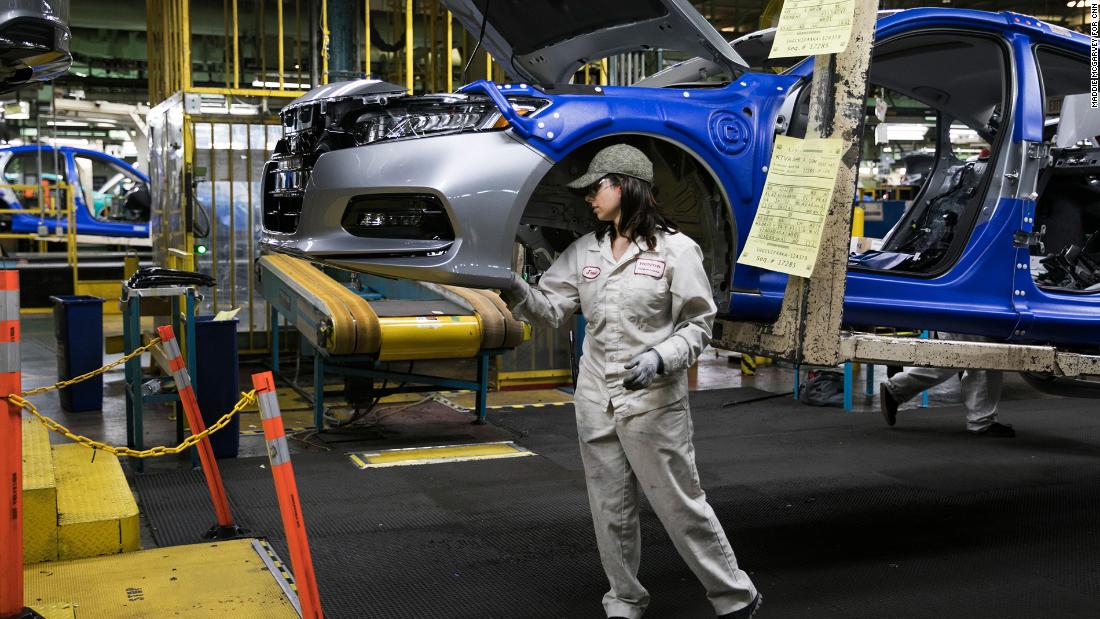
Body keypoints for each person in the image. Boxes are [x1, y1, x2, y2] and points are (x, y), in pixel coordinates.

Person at [500, 144, 761, 619]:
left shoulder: (677, 250)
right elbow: (554, 309)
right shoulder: (585, 252)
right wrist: (516, 288)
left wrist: (661, 358)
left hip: (652, 401)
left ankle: (734, 595)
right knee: (611, 510)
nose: (588, 199)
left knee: (680, 504)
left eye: (596, 187)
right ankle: (623, 598)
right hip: (597, 399)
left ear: (624, 185)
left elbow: (699, 326)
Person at [879, 333, 1014, 437]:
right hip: (970, 305)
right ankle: (982, 420)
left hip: (958, 304)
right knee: (984, 353)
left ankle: (896, 389)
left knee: (956, 357)